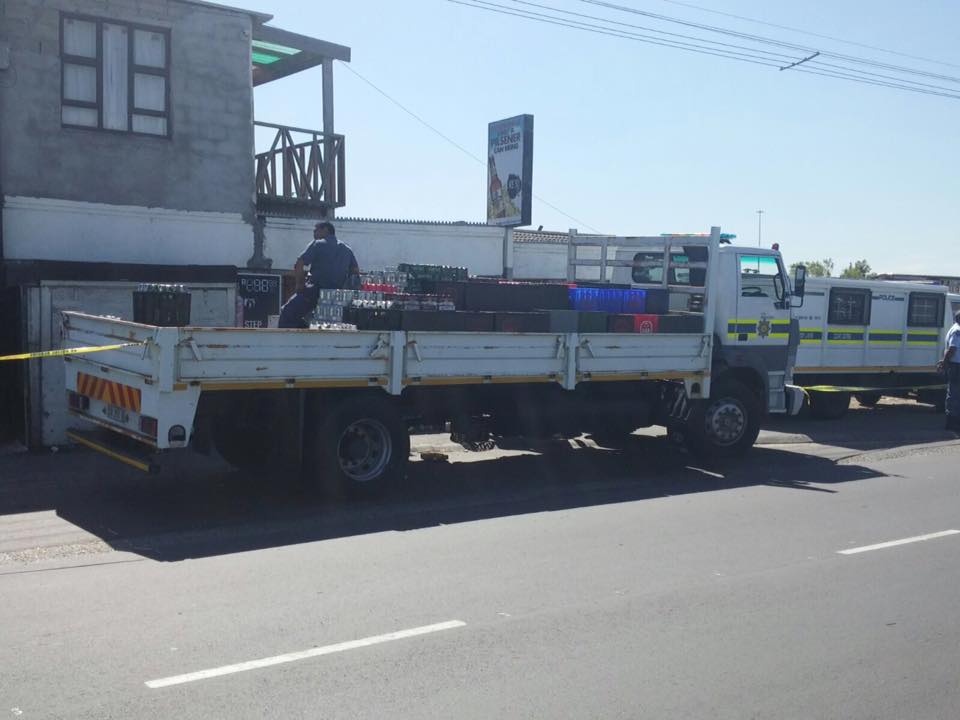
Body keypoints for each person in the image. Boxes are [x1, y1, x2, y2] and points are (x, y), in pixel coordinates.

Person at [278, 222, 359, 329]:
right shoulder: (347, 249)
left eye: (316, 230)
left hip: (314, 291)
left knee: (287, 312)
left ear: (325, 230)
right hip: (336, 297)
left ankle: (289, 342)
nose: (314, 233)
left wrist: (299, 285)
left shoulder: (318, 244)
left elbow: (299, 264)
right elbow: (355, 271)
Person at [937, 310, 960, 432]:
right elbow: (952, 349)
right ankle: (952, 422)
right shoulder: (957, 331)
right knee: (955, 394)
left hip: (955, 365)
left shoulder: (955, 328)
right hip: (956, 366)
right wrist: (944, 362)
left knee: (955, 394)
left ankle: (953, 420)